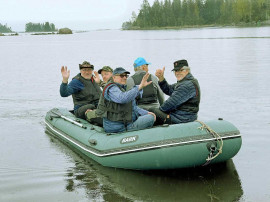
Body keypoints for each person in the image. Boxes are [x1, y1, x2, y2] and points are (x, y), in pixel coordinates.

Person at [96, 67, 156, 133]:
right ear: (114, 77)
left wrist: (145, 112)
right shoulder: (112, 89)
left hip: (124, 123)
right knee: (151, 118)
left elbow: (131, 107)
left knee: (150, 114)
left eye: (126, 76)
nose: (124, 78)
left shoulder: (121, 88)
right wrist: (139, 87)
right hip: (119, 127)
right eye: (121, 76)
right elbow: (122, 98)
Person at [149, 59, 200, 125]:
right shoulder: (187, 81)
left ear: (187, 70)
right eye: (176, 70)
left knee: (152, 110)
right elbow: (169, 89)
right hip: (183, 116)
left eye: (180, 70)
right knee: (155, 111)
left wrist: (158, 112)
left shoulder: (186, 85)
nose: (177, 73)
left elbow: (169, 104)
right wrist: (161, 78)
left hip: (182, 119)